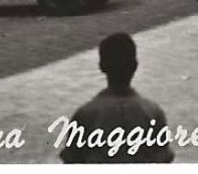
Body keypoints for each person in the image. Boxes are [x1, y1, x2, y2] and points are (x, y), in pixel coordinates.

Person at [58, 32, 175, 164]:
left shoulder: (85, 114)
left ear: (102, 66)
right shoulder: (153, 113)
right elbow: (163, 158)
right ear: (134, 65)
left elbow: (73, 160)